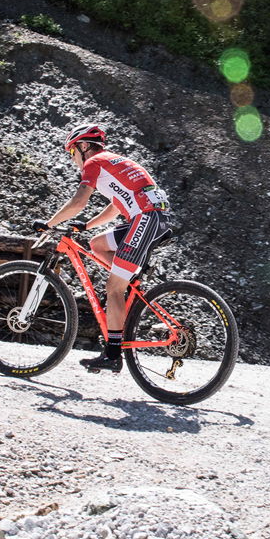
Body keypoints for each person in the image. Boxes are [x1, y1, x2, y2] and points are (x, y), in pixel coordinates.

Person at [34, 123, 171, 374]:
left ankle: (112, 354)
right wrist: (86, 225)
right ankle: (126, 283)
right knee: (97, 245)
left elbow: (78, 202)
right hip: (150, 218)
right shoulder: (114, 163)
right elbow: (116, 207)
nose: (73, 158)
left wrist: (48, 223)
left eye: (72, 152)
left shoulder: (93, 163)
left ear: (83, 146)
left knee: (112, 288)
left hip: (145, 219)